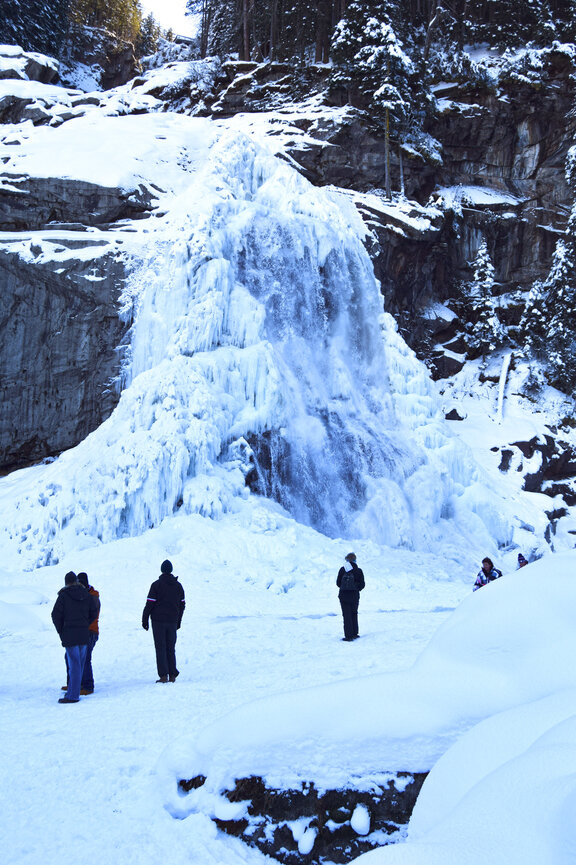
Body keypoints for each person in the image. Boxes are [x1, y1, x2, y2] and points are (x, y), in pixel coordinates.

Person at [52, 571, 99, 703]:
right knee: (79, 663)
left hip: (70, 635)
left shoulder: (63, 595)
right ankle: (75, 689)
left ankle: (73, 695)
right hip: (84, 634)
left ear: (66, 582)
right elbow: (93, 612)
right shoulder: (86, 594)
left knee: (74, 664)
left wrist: (61, 630)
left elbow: (55, 615)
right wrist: (85, 624)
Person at [142, 560, 185, 683]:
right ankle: (172, 674)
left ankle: (163, 676)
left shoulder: (156, 585)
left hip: (158, 621)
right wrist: (178, 620)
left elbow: (149, 604)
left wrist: (144, 619)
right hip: (172, 621)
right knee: (171, 648)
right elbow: (182, 605)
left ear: (162, 570)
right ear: (171, 570)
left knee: (160, 648)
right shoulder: (178, 586)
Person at [78, 572, 100, 695]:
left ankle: (88, 686)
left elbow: (92, 615)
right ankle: (77, 683)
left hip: (91, 631)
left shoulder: (92, 596)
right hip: (84, 631)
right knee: (79, 657)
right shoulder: (88, 595)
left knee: (85, 658)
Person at [336, 552, 365, 641]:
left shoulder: (342, 569)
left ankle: (348, 636)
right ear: (355, 560)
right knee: (354, 613)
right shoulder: (359, 570)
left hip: (343, 596)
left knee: (346, 615)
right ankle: (355, 633)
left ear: (347, 560)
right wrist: (356, 589)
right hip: (354, 596)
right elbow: (362, 584)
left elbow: (338, 583)